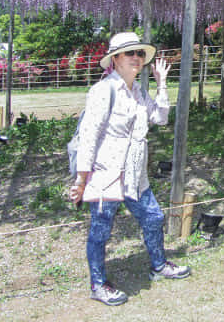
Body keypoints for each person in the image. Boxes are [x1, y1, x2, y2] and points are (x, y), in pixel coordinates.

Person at [69, 32, 190, 307]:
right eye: (130, 54)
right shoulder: (103, 91)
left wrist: (162, 85)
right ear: (115, 59)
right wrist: (81, 178)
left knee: (153, 217)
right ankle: (98, 285)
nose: (137, 58)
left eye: (139, 54)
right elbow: (88, 136)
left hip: (135, 174)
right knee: (100, 230)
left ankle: (158, 266)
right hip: (105, 173)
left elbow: (159, 118)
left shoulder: (138, 91)